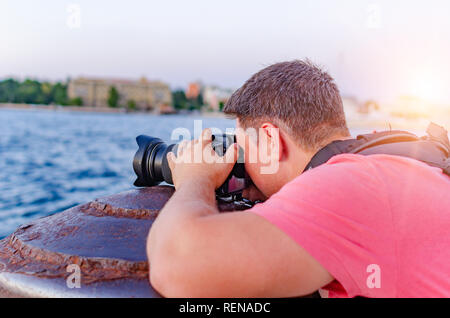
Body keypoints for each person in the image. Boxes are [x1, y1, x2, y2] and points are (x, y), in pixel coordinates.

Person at [147, 60, 450, 297]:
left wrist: (194, 177)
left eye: (244, 146)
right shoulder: (394, 158)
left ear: (269, 141)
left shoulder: (349, 183)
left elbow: (176, 265)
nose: (239, 160)